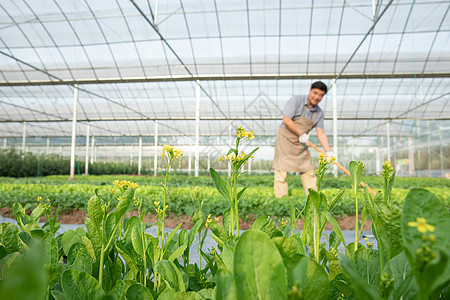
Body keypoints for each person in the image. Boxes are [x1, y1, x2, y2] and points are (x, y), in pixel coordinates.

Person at [273, 81, 333, 197]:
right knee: (281, 171)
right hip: (286, 140)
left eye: (321, 95)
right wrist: (301, 133)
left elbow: (321, 133)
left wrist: (328, 151)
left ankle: (313, 200)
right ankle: (280, 200)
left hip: (301, 142)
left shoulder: (319, 113)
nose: (317, 97)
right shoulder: (296, 101)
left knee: (308, 170)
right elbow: (286, 120)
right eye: (315, 93)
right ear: (310, 91)